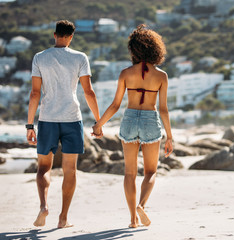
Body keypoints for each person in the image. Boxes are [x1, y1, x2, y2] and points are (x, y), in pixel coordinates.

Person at [92, 24, 173, 228]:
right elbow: (163, 109)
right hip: (150, 119)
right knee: (150, 172)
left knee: (129, 173)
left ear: (133, 49)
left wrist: (98, 125)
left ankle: (132, 220)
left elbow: (116, 105)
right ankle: (142, 206)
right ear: (156, 49)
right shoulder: (161, 76)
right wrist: (169, 136)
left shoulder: (125, 73)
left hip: (129, 119)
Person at [26, 20, 102, 228]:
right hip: (71, 118)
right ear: (71, 37)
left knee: (43, 167)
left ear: (54, 35)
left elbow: (35, 93)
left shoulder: (40, 57)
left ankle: (43, 206)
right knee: (70, 170)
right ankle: (63, 218)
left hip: (48, 119)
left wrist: (30, 125)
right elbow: (88, 91)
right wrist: (98, 121)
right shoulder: (80, 57)